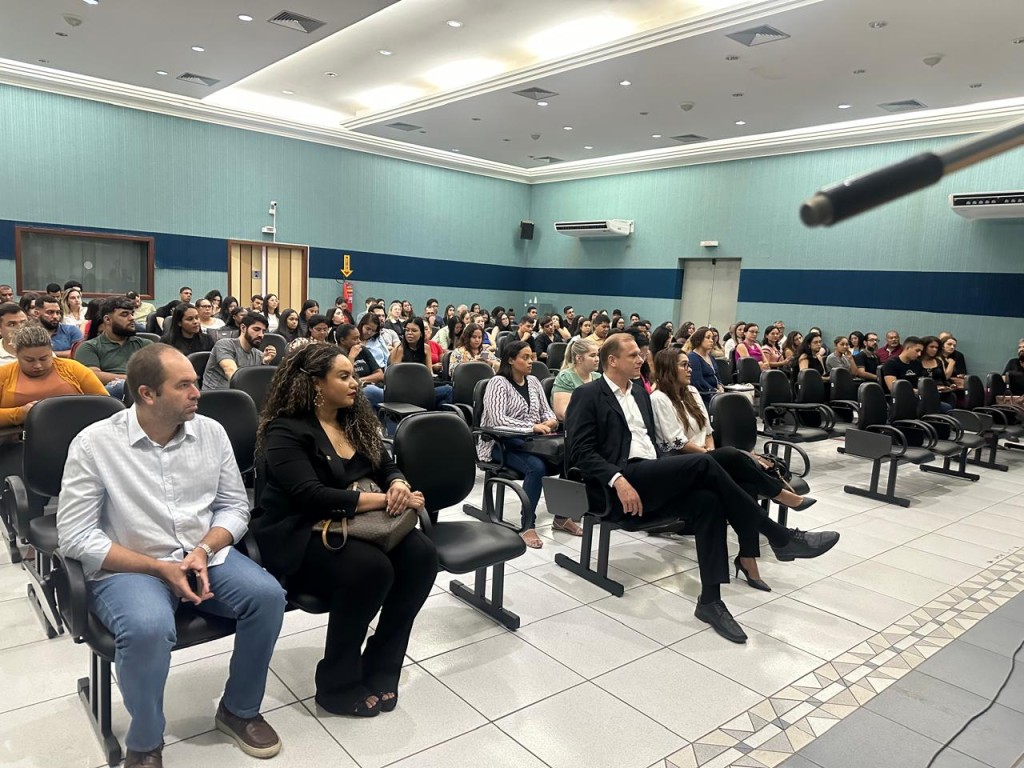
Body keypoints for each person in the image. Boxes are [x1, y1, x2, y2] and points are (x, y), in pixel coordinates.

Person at [57, 344, 287, 767]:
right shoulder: (95, 444)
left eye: (195, 383)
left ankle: (239, 709)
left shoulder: (211, 433)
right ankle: (146, 742)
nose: (197, 393)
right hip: (131, 565)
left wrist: (204, 549)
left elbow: (234, 507)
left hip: (203, 556)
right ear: (147, 394)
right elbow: (74, 535)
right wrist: (158, 567)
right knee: (147, 627)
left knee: (268, 597)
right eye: (184, 386)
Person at [564, 334, 839, 643]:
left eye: (640, 355)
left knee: (713, 491)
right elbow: (580, 452)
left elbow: (653, 444)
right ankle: (779, 535)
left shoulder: (640, 392)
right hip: (621, 481)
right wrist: (618, 479)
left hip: (652, 473)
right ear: (612, 361)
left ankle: (710, 600)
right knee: (705, 463)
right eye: (633, 356)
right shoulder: (588, 395)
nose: (641, 360)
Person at [252, 344, 437, 717]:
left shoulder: (354, 419)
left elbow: (385, 463)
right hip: (301, 529)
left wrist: (397, 483)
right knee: (371, 569)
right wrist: (384, 499)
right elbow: (311, 497)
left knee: (422, 557)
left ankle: (381, 663)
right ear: (316, 384)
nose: (356, 383)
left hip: (357, 523)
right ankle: (337, 683)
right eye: (344, 376)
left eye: (354, 375)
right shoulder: (285, 430)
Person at [649, 348, 818, 590]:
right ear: (668, 369)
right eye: (684, 365)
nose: (690, 369)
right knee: (730, 454)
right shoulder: (658, 399)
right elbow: (676, 443)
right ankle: (780, 498)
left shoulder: (692, 392)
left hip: (705, 458)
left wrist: (710, 452)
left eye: (689, 364)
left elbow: (708, 431)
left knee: (746, 485)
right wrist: (709, 457)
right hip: (681, 464)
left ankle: (749, 559)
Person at [478, 341, 559, 549]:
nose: (531, 361)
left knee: (564, 458)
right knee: (536, 467)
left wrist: (550, 421)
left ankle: (562, 516)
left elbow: (546, 410)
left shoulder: (533, 381)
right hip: (499, 442)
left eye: (531, 357)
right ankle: (527, 525)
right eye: (525, 357)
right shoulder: (498, 383)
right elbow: (497, 420)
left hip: (530, 442)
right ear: (511, 360)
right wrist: (532, 427)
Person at [0, 324, 107, 426]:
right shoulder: (4, 374)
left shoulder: (73, 369)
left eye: (43, 359)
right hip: (18, 435)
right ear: (16, 354)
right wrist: (19, 414)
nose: (37, 365)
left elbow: (106, 403)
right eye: (29, 360)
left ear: (51, 351)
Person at [75, 297, 153, 399]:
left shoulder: (146, 345)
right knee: (119, 387)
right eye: (124, 314)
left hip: (142, 395)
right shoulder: (89, 347)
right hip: (107, 399)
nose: (132, 318)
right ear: (107, 319)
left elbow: (156, 374)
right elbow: (93, 376)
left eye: (132, 314)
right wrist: (129, 381)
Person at [202, 312, 276, 390]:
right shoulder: (224, 345)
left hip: (240, 395)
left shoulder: (259, 355)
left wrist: (264, 363)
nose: (261, 335)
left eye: (263, 331)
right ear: (243, 328)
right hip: (215, 395)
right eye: (256, 329)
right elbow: (231, 372)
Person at [389, 317, 452, 406]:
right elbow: (393, 378)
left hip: (423, 387)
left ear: (421, 333)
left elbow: (429, 373)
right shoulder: (400, 349)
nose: (409, 333)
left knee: (444, 399)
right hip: (406, 391)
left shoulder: (426, 348)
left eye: (414, 331)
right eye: (407, 330)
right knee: (448, 390)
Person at [336, 323, 385, 409]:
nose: (359, 341)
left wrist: (359, 381)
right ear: (342, 340)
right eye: (355, 339)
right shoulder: (336, 356)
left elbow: (380, 374)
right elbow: (346, 378)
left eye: (359, 337)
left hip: (371, 386)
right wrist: (351, 357)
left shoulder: (362, 350)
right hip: (354, 391)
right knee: (370, 391)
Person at [551, 338, 599, 423]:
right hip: (577, 426)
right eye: (592, 356)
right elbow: (562, 414)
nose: (597, 359)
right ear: (579, 358)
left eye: (597, 355)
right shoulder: (566, 377)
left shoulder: (598, 377)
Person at [687, 326, 724, 405]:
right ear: (699, 339)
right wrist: (714, 390)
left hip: (715, 393)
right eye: (708, 337)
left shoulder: (711, 357)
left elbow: (717, 375)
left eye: (712, 338)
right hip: (704, 395)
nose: (711, 340)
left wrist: (720, 386)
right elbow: (698, 381)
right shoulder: (693, 357)